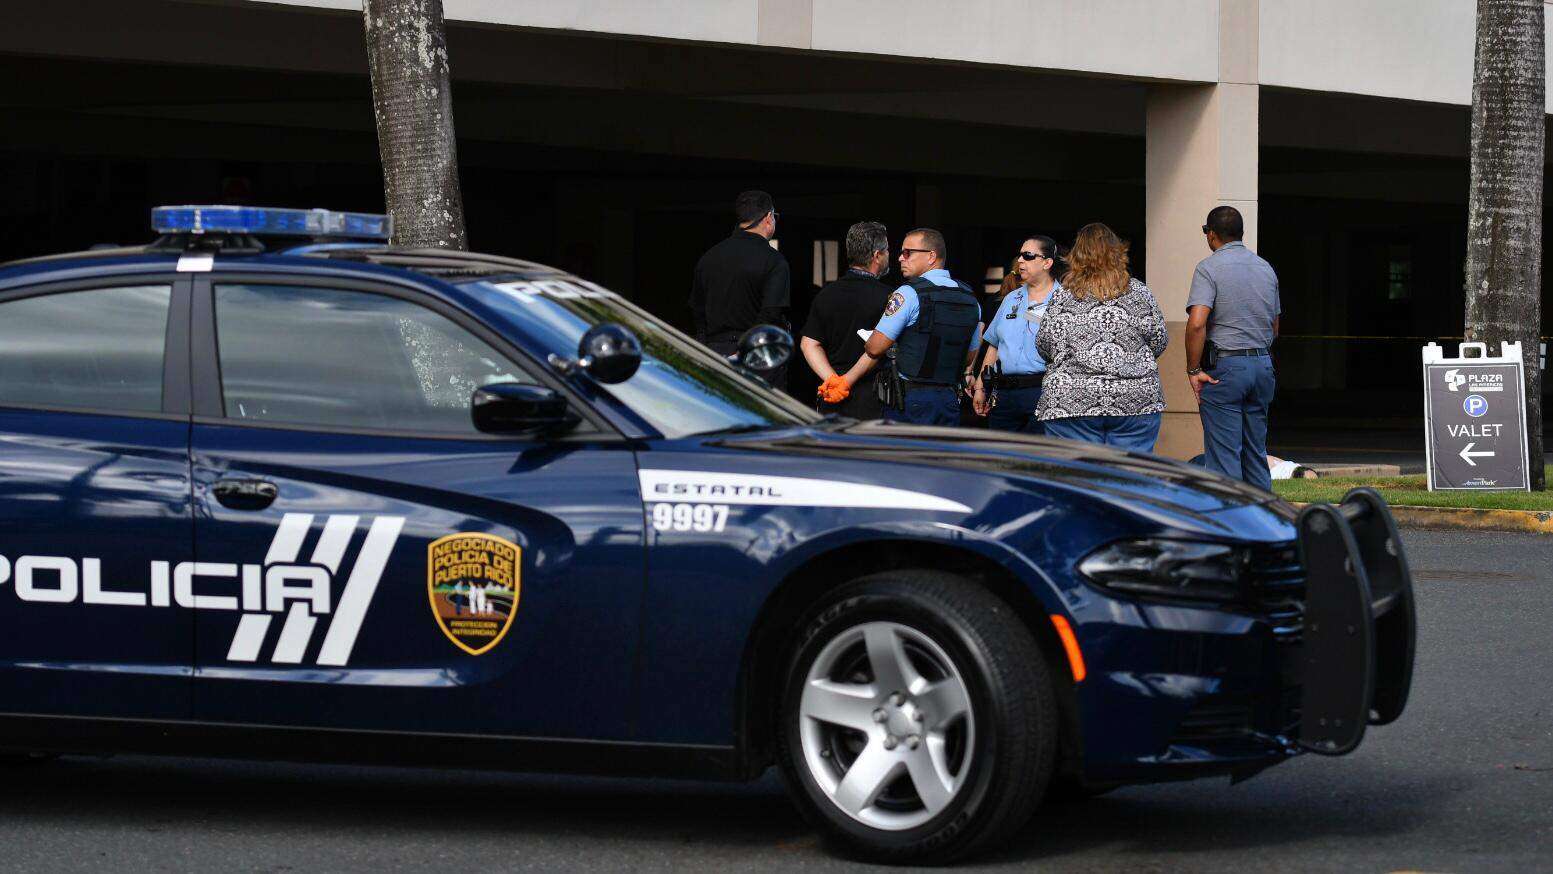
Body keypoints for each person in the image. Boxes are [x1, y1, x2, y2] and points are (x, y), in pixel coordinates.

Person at [1034, 223, 1167, 450]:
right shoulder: (1139, 292)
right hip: (1134, 400)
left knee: (1078, 479)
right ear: (1117, 254)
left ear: (1076, 256)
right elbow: (1158, 340)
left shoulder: (1063, 297)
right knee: (1130, 478)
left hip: (1070, 401)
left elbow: (1045, 345)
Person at [840, 228, 982, 426]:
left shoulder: (908, 293)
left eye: (908, 252)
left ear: (931, 256)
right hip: (949, 399)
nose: (900, 258)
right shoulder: (970, 299)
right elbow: (968, 357)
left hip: (911, 399)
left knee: (904, 455)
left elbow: (874, 347)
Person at [1185, 205, 1281, 491]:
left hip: (1226, 367)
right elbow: (1274, 327)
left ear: (1211, 234)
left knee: (1224, 458)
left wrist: (1193, 369)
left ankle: (1229, 527)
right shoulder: (1265, 268)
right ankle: (1264, 525)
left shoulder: (1208, 268)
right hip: (1262, 364)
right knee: (1255, 453)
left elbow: (1197, 323)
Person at [688, 190, 791, 388]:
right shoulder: (774, 261)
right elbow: (771, 313)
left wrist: (704, 349)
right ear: (769, 218)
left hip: (714, 352)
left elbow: (697, 311)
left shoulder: (709, 257)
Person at [799, 221, 893, 418]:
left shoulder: (826, 294)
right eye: (887, 251)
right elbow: (879, 349)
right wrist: (846, 382)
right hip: (873, 400)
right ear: (877, 255)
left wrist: (833, 381)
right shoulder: (889, 298)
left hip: (832, 398)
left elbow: (809, 343)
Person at [972, 236, 1062, 433]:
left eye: (1028, 256)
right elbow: (994, 344)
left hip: (1043, 391)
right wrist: (980, 386)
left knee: (1038, 459)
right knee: (999, 456)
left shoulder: (1065, 300)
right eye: (1020, 255)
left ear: (1047, 263)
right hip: (1005, 394)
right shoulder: (1011, 298)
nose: (1020, 260)